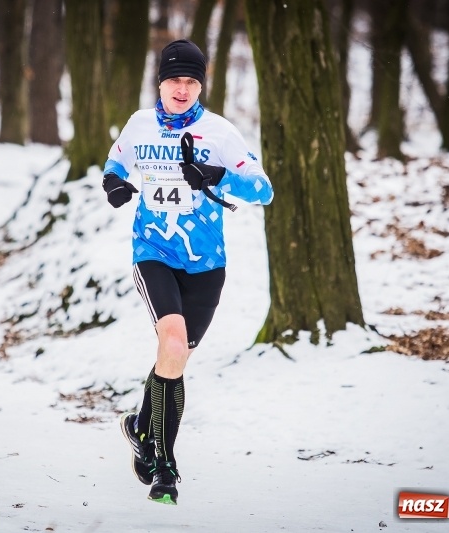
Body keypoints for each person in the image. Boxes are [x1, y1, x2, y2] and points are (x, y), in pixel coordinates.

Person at [102, 39, 274, 505]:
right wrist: (114, 182)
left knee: (174, 359)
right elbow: (114, 161)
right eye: (175, 80)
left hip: (206, 267)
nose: (182, 89)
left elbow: (263, 189)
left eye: (192, 81)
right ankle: (165, 465)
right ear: (160, 82)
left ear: (201, 85)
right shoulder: (139, 125)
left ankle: (140, 426)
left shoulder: (219, 133)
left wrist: (217, 176)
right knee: (172, 343)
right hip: (153, 252)